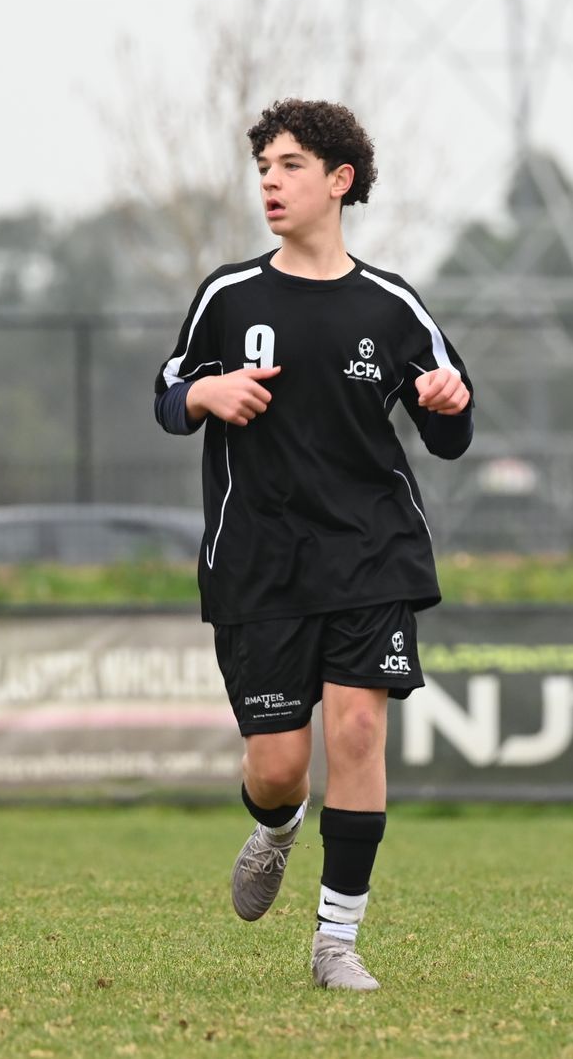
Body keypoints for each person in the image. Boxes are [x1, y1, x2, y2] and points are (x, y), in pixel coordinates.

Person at [153, 98, 474, 991]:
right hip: (257, 559)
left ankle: (336, 941)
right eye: (262, 167)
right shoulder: (227, 296)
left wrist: (449, 404)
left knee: (359, 729)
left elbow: (449, 430)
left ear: (339, 180)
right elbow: (168, 395)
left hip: (370, 550)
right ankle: (276, 825)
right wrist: (206, 395)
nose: (269, 181)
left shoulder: (391, 303)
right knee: (278, 767)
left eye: (289, 165)